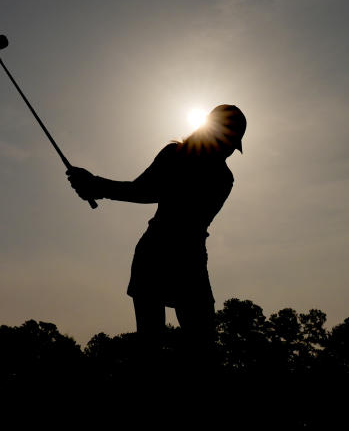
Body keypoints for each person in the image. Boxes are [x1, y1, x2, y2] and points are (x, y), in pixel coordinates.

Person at [66, 104, 246, 348]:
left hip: (173, 256)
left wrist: (96, 185)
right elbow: (144, 190)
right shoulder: (205, 169)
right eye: (230, 143)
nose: (229, 152)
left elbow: (144, 191)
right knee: (167, 343)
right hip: (173, 257)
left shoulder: (209, 171)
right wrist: (95, 186)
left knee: (189, 344)